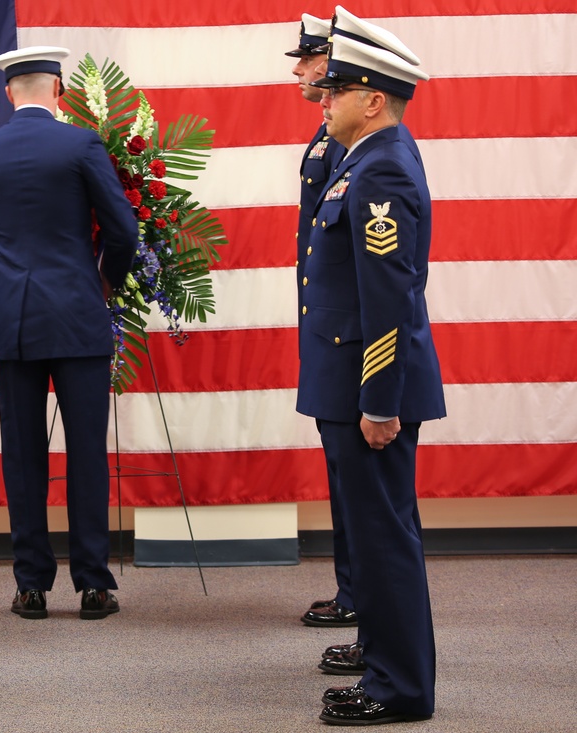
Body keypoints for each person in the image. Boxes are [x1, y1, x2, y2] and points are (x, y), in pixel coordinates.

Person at [297, 19, 445, 724]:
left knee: (384, 540)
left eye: (339, 89)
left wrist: (379, 399)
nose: (325, 98)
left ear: (375, 99)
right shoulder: (366, 157)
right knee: (378, 532)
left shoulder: (380, 165)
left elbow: (388, 296)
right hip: (351, 381)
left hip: (369, 386)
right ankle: (386, 667)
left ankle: (400, 687)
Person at [0, 46, 138, 620]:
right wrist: (105, 282)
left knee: (22, 454)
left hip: (13, 320)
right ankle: (92, 583)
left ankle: (31, 584)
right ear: (59, 90)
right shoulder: (82, 144)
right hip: (78, 316)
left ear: (9, 92)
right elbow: (120, 228)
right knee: (87, 451)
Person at [286, 12, 357, 632]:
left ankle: (360, 594)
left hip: (345, 336)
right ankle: (352, 588)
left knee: (355, 476)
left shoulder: (349, 144)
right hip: (325, 328)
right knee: (342, 472)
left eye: (309, 60)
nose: (298, 70)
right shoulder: (326, 139)